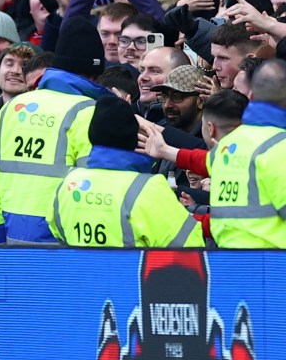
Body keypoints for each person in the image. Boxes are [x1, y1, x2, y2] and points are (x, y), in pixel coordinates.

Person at [0, 16, 111, 245]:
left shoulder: (11, 108)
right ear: (97, 75)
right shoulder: (89, 112)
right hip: (64, 248)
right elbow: (91, 193)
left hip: (13, 242)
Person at [49, 96, 204, 248]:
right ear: (133, 136)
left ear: (92, 135)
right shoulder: (148, 188)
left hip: (77, 273)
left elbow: (57, 232)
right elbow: (189, 246)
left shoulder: (68, 183)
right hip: (133, 273)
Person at [207, 59, 286, 248]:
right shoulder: (280, 147)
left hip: (229, 264)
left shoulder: (224, 145)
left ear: (251, 94)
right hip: (274, 267)